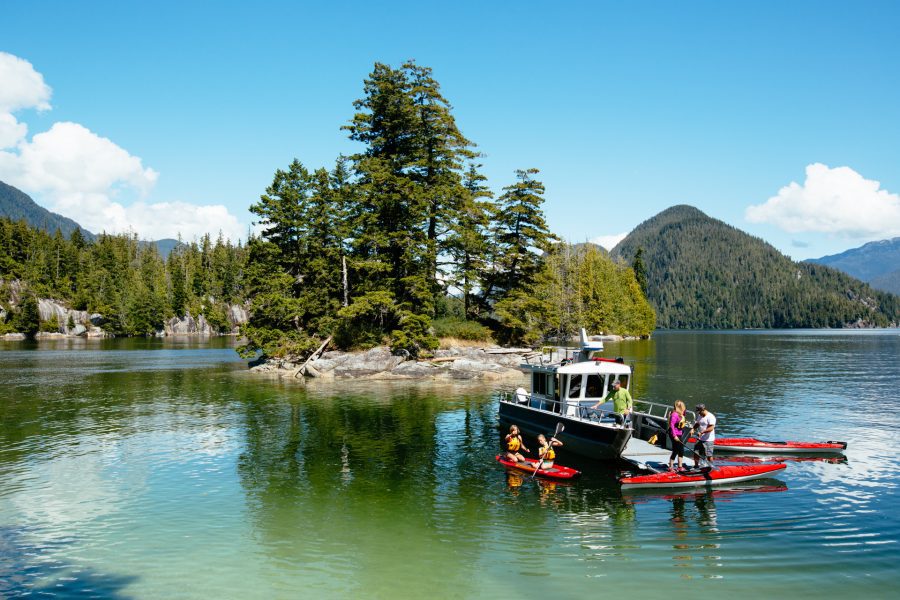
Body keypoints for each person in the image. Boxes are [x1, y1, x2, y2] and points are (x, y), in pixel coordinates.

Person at [692, 404, 717, 469]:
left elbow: (711, 428)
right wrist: (693, 429)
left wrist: (702, 432)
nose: (698, 413)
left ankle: (711, 467)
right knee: (696, 452)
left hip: (708, 440)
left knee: (709, 455)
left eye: (699, 411)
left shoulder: (710, 417)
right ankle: (696, 466)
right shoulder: (700, 416)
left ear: (702, 410)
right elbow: (697, 423)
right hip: (700, 439)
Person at [667, 400, 687, 471]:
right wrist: (674, 436)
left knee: (681, 450)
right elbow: (672, 425)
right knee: (676, 450)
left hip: (679, 433)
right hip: (674, 434)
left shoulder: (681, 414)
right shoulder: (674, 414)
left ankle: (680, 466)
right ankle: (670, 466)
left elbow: (684, 414)